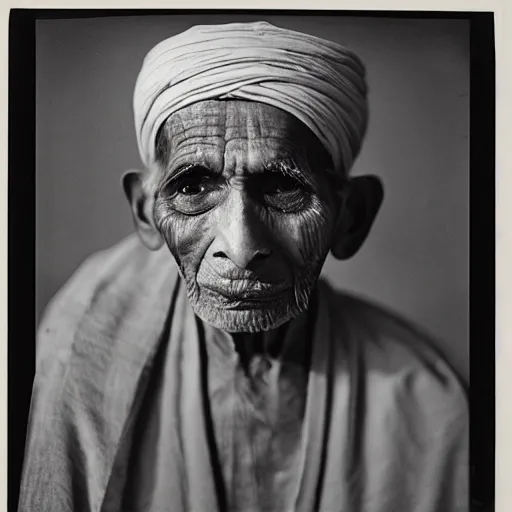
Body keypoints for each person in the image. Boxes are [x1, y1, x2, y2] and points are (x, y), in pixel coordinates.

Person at [19, 21, 468, 512]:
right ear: (146, 213)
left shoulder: (428, 405)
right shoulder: (80, 353)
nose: (240, 246)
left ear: (351, 216)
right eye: (192, 188)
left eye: (282, 187)